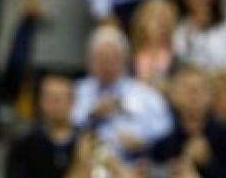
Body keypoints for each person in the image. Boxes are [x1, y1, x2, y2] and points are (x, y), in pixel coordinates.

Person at [70, 25, 173, 159]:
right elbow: (64, 125)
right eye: (101, 58)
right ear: (89, 61)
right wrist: (92, 115)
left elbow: (166, 126)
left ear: (125, 60)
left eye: (112, 58)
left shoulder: (145, 94)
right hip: (86, 163)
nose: (106, 64)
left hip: (133, 165)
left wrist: (144, 140)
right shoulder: (77, 91)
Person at [4, 75, 79, 178]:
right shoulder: (24, 143)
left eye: (59, 100)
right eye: (49, 99)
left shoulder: (85, 140)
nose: (54, 105)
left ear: (72, 102)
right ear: (40, 102)